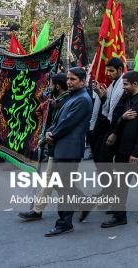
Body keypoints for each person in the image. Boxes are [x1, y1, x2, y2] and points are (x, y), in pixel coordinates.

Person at [98, 71, 138, 227]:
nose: (123, 87)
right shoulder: (129, 100)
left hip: (134, 153)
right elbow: (120, 118)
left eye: (125, 84)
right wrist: (120, 123)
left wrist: (137, 152)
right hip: (123, 150)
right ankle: (119, 215)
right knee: (120, 184)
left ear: (135, 84)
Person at [43, 68, 93, 237]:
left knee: (64, 187)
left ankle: (64, 223)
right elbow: (58, 119)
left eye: (73, 79)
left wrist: (53, 134)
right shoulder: (72, 97)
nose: (69, 82)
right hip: (61, 147)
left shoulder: (83, 99)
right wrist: (50, 131)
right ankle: (84, 203)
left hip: (69, 149)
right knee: (61, 184)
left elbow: (67, 123)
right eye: (68, 79)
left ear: (82, 81)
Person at [18, 73, 70, 221]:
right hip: (55, 147)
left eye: (52, 84)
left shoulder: (66, 101)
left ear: (57, 86)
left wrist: (49, 136)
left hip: (63, 147)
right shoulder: (58, 100)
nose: (49, 87)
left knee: (61, 182)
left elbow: (63, 124)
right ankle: (37, 210)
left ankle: (39, 211)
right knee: (51, 180)